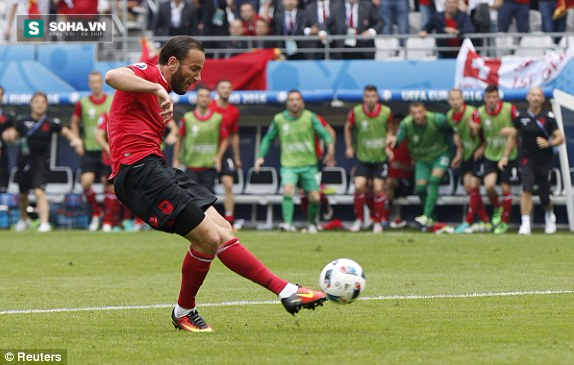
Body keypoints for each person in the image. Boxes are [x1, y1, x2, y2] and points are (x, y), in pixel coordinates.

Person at [105, 36, 327, 332]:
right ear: (172, 63)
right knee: (208, 237)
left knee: (222, 230)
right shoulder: (148, 72)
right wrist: (156, 87)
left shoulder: (159, 86)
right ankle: (285, 291)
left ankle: (185, 310)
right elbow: (112, 76)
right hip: (137, 171)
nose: (197, 78)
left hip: (156, 166)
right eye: (194, 69)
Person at [254, 89, 335, 233]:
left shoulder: (310, 117)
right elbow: (267, 138)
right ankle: (288, 224)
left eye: (297, 99)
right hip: (289, 165)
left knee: (315, 198)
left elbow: (325, 134)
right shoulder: (279, 119)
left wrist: (330, 149)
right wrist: (260, 156)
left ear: (302, 103)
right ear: (286, 103)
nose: (295, 102)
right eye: (291, 100)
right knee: (288, 190)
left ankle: (311, 223)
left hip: (309, 165)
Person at [1, 92, 82, 232]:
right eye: (37, 101)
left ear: (46, 105)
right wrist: (8, 136)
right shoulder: (22, 120)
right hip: (24, 161)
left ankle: (44, 223)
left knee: (39, 192)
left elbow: (66, 132)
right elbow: (13, 135)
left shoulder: (51, 122)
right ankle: (24, 219)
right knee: (23, 195)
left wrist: (75, 140)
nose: (39, 104)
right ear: (32, 103)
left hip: (41, 162)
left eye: (42, 102)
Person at [505, 87, 564, 235]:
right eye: (533, 95)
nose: (536, 98)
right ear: (528, 97)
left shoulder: (548, 117)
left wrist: (549, 143)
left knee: (545, 196)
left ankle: (550, 215)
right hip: (527, 159)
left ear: (543, 99)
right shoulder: (521, 117)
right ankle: (525, 223)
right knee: (527, 189)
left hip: (544, 160)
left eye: (539, 95)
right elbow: (513, 136)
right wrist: (505, 156)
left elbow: (560, 137)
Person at [387, 102, 451, 229]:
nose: (417, 116)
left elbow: (452, 125)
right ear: (410, 114)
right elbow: (397, 141)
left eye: (420, 112)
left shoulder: (436, 119)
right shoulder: (406, 124)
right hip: (421, 160)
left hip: (439, 155)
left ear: (425, 111)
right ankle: (432, 218)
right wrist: (392, 140)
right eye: (414, 113)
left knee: (434, 179)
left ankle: (426, 216)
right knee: (421, 188)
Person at [470, 84, 520, 234]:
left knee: (505, 188)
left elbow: (521, 129)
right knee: (489, 186)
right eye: (488, 97)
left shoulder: (509, 109)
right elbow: (475, 135)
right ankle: (498, 208)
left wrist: (512, 130)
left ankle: (504, 222)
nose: (491, 100)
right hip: (491, 154)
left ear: (498, 97)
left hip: (509, 155)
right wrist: (473, 129)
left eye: (494, 97)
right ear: (484, 98)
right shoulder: (479, 113)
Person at [344, 85, 393, 233]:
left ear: (377, 97)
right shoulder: (356, 112)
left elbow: (390, 128)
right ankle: (359, 219)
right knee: (359, 186)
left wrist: (388, 143)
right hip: (363, 157)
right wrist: (349, 146)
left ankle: (377, 221)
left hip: (379, 157)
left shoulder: (386, 112)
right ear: (363, 97)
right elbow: (347, 127)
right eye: (367, 96)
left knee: (378, 188)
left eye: (373, 96)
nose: (370, 99)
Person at [70, 71, 114, 231]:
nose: (95, 85)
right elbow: (74, 122)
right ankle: (96, 213)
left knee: (109, 186)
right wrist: (77, 140)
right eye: (92, 82)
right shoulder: (83, 103)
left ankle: (108, 222)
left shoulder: (111, 100)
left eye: (97, 81)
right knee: (86, 182)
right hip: (90, 149)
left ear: (102, 82)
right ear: (89, 84)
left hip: (107, 150)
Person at [447, 88, 491, 233]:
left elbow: (482, 134)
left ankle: (468, 221)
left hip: (478, 153)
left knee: (473, 186)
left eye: (457, 98)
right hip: (466, 154)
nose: (455, 101)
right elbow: (459, 136)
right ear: (449, 101)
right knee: (468, 187)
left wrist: (474, 130)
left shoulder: (473, 112)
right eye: (452, 99)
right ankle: (485, 221)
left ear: (462, 99)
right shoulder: (450, 116)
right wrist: (459, 155)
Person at [173, 86, 228, 194]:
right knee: (191, 199)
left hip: (209, 167)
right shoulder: (187, 118)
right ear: (196, 99)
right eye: (201, 96)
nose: (204, 99)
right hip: (191, 166)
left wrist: (218, 157)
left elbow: (225, 139)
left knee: (208, 199)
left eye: (207, 96)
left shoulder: (218, 118)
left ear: (210, 100)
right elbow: (179, 139)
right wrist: (176, 160)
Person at [209, 80, 242, 228]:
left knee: (228, 184)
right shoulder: (210, 107)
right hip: (209, 150)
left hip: (226, 152)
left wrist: (236, 157)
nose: (226, 90)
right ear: (217, 90)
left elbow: (234, 135)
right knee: (206, 188)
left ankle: (229, 219)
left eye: (229, 88)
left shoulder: (234, 111)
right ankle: (209, 221)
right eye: (223, 87)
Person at [385, 113, 413, 229]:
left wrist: (400, 166)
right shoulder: (386, 143)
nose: (395, 127)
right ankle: (376, 219)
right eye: (393, 124)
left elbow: (414, 168)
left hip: (405, 181)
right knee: (374, 183)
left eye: (398, 124)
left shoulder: (409, 142)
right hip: (387, 182)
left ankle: (387, 216)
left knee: (389, 182)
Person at [0, 86, 16, 192]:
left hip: (2, 154)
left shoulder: (8, 115)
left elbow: (14, 134)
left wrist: (10, 135)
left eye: (0, 94)